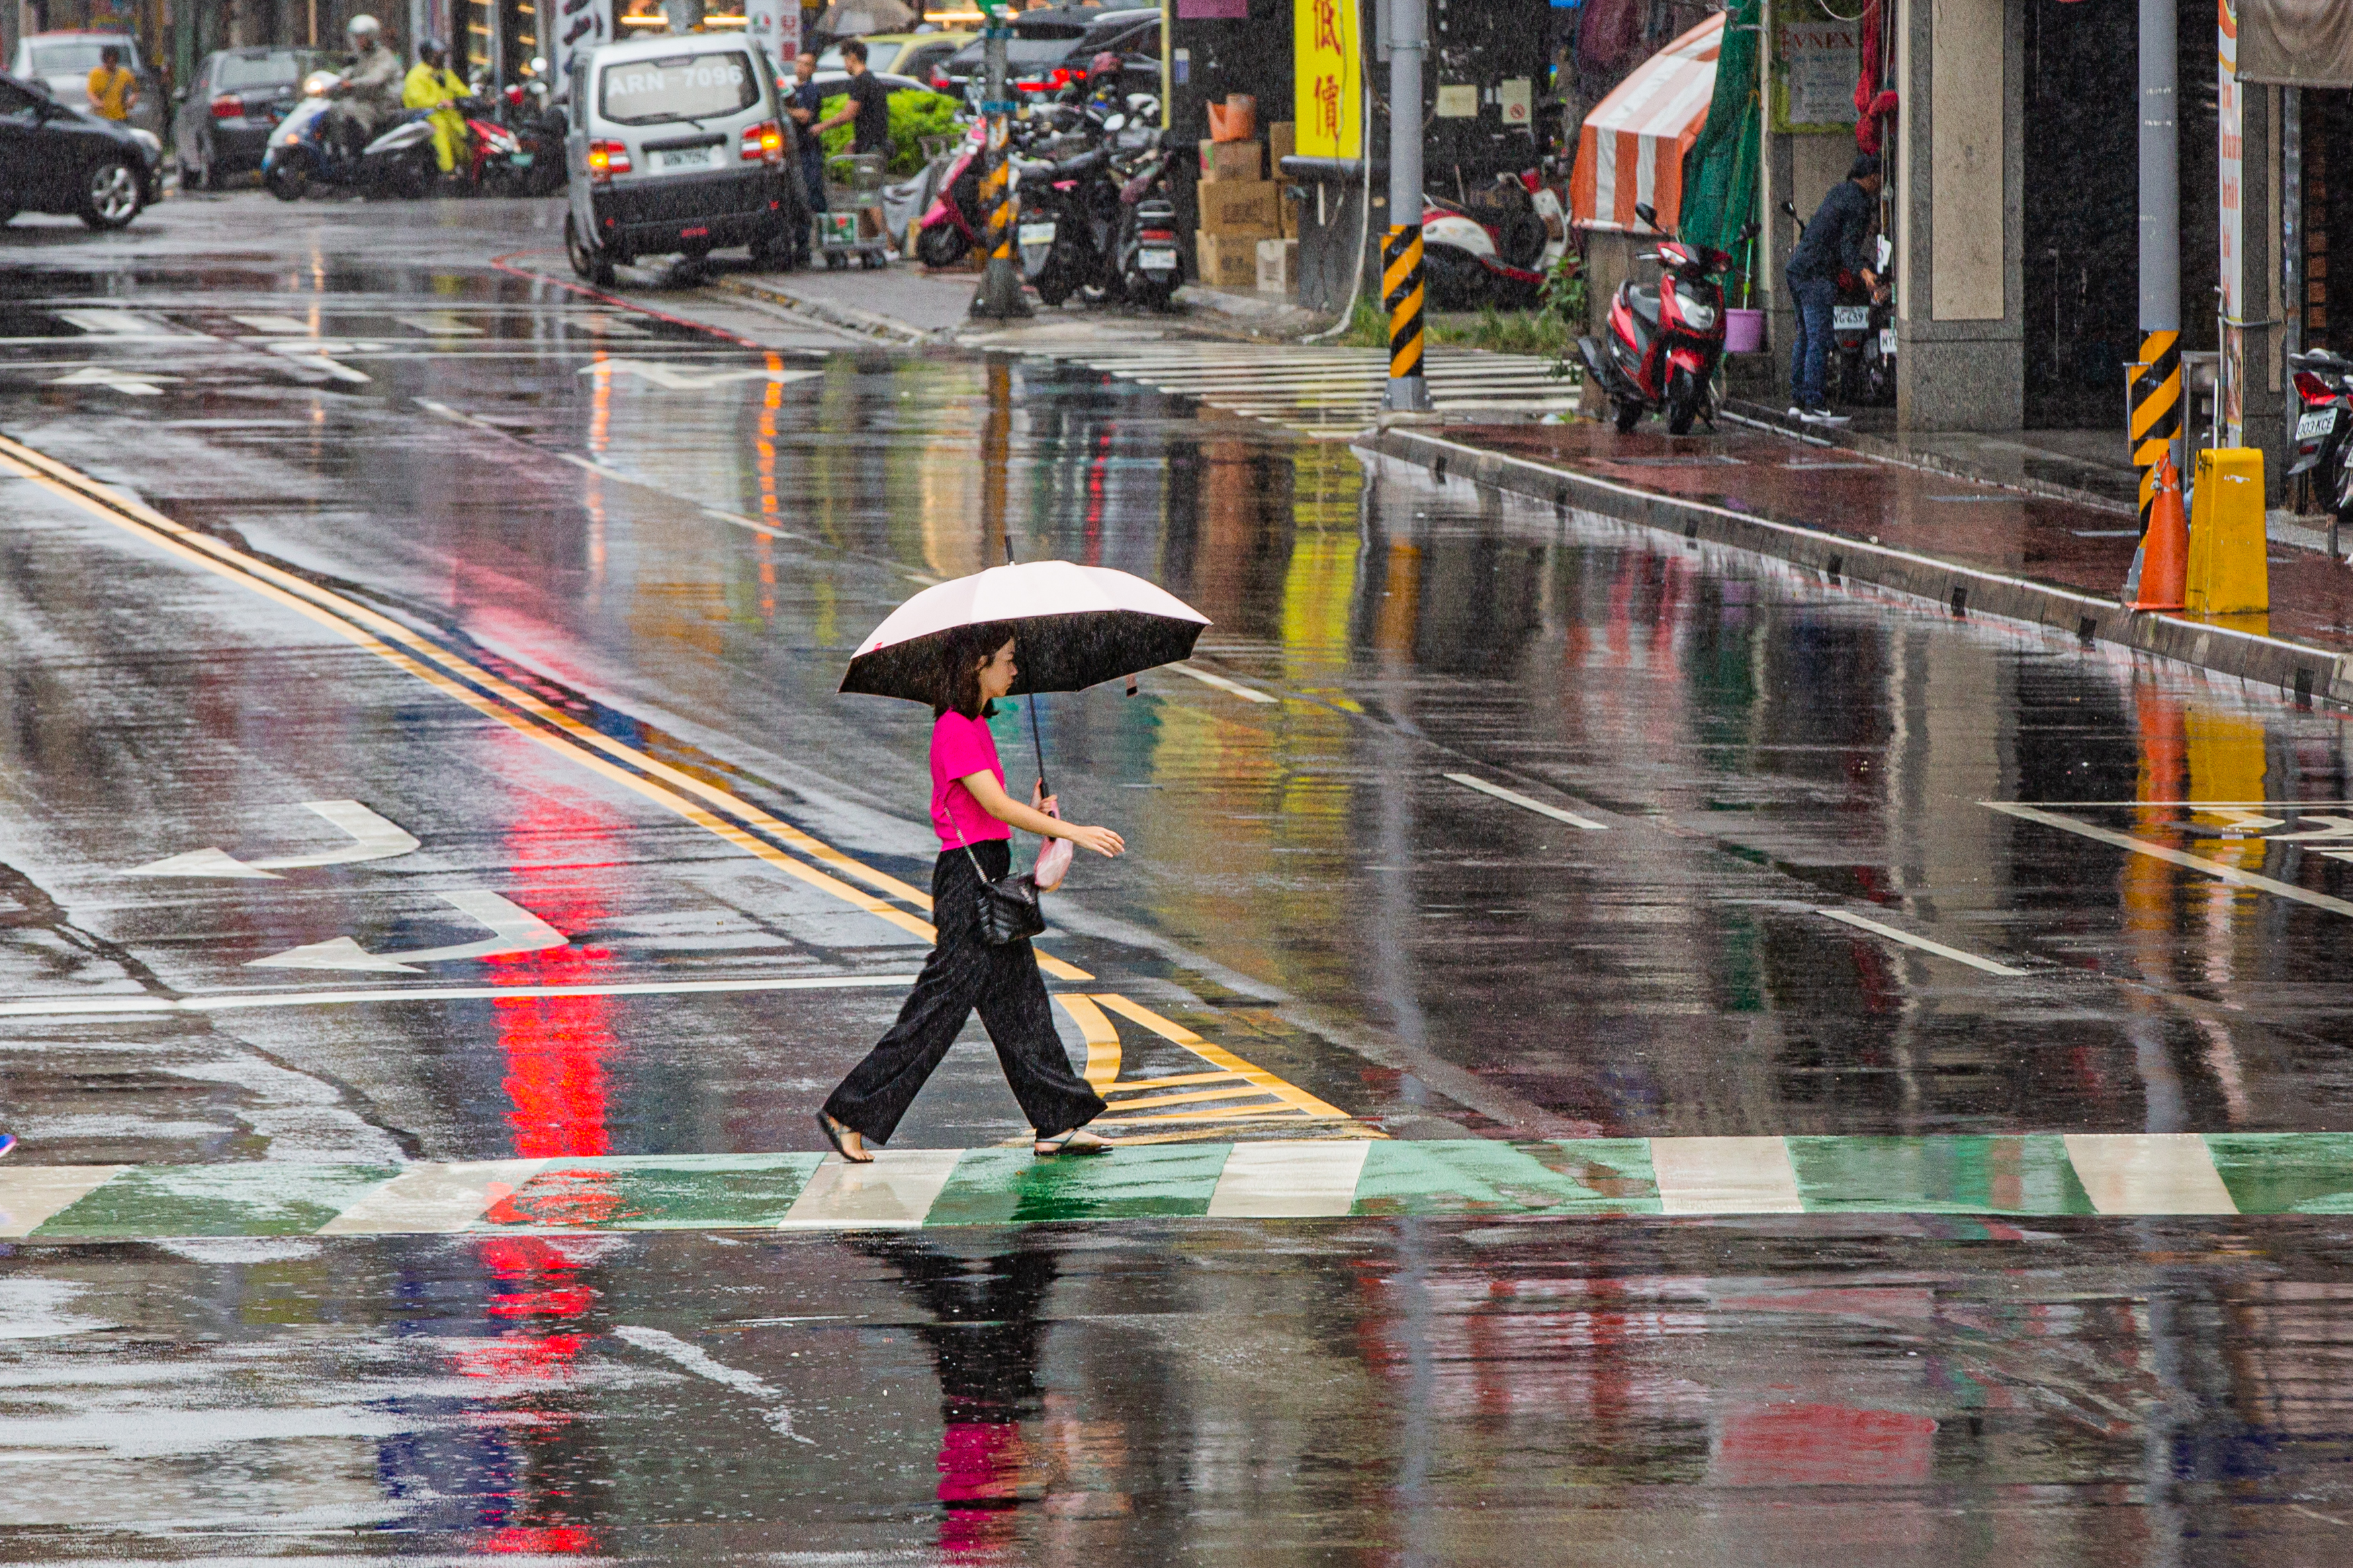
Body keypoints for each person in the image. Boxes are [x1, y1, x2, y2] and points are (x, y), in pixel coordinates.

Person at [819, 628, 1123, 1164]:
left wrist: (1035, 807)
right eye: (1007, 660)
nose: (1014, 670)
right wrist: (1073, 830)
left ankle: (1057, 1120)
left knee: (1021, 1004)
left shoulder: (976, 726)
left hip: (990, 874)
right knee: (937, 1010)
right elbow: (996, 809)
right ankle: (850, 1109)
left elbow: (994, 807)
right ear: (978, 664)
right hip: (968, 882)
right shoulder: (954, 729)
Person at [1785, 151, 1885, 424]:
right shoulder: (1860, 203)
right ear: (1873, 177)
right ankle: (1814, 404)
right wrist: (1865, 273)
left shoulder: (1839, 191)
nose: (1880, 184)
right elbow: (1847, 248)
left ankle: (1798, 400)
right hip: (1817, 274)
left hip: (1797, 268)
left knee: (1804, 335)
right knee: (1819, 337)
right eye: (1880, 178)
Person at [813, 40, 891, 238]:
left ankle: (888, 243)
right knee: (864, 199)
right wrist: (857, 142)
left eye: (845, 59)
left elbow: (849, 114)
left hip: (871, 150)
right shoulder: (872, 80)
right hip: (870, 146)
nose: (844, 65)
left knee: (870, 198)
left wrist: (822, 126)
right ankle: (867, 246)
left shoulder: (861, 82)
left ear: (853, 57)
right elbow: (874, 118)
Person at [329, 14, 405, 162]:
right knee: (334, 108)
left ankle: (357, 156)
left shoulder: (383, 55)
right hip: (366, 101)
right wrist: (335, 80)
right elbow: (351, 72)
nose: (358, 41)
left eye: (361, 37)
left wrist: (352, 84)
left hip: (381, 104)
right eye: (356, 37)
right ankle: (336, 153)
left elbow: (376, 78)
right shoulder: (364, 57)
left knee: (351, 111)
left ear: (371, 37)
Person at [402, 39, 470, 179]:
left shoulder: (446, 74)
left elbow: (461, 91)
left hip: (451, 118)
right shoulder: (416, 76)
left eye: (442, 56)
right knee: (440, 136)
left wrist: (473, 99)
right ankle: (448, 172)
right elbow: (418, 100)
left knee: (465, 136)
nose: (440, 59)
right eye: (437, 55)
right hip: (428, 119)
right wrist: (440, 103)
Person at [787, 50, 828, 263]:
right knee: (797, 200)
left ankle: (827, 243)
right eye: (799, 62)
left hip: (809, 153)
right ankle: (800, 247)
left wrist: (787, 111)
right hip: (794, 154)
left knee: (813, 197)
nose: (801, 67)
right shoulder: (790, 90)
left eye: (806, 64)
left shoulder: (811, 91)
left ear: (813, 69)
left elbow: (804, 116)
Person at [85, 45, 137, 123]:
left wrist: (131, 100)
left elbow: (136, 91)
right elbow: (90, 93)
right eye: (108, 61)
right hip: (102, 118)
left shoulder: (125, 74)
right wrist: (98, 103)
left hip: (120, 118)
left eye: (114, 61)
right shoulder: (95, 74)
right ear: (104, 60)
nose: (111, 63)